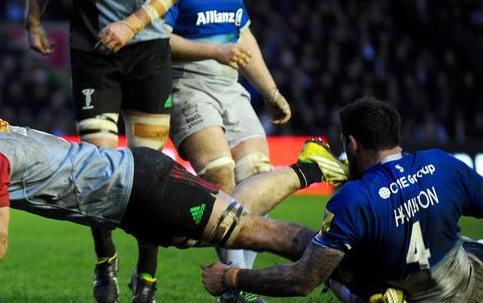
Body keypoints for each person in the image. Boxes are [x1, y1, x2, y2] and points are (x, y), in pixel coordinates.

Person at [0, 84, 349, 301]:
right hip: (130, 201)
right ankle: (309, 168)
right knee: (236, 224)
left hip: (145, 187)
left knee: (258, 234)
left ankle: (357, 275)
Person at [24, 0, 187, 301]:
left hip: (147, 48)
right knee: (97, 166)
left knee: (149, 170)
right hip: (93, 49)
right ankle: (104, 260)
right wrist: (33, 17)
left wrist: (132, 24)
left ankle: (147, 274)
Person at [202, 97, 483, 302]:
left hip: (394, 291)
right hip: (469, 286)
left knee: (308, 244)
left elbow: (302, 281)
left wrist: (231, 277)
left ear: (352, 144)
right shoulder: (442, 165)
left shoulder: (353, 198)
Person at [164, 0, 291, 302]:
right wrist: (215, 50)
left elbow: (243, 37)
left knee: (257, 175)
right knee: (220, 176)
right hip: (187, 85)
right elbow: (158, 38)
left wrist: (270, 90)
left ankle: (234, 284)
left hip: (231, 87)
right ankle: (236, 285)